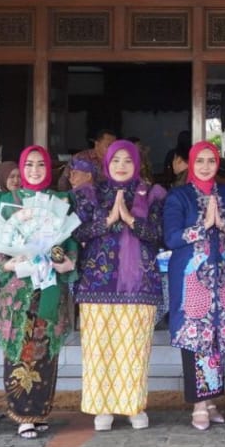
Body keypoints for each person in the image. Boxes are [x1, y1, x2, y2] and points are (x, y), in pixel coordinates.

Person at [72, 140, 166, 431]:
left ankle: (134, 406)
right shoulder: (90, 194)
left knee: (135, 348)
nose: (122, 166)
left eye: (128, 160)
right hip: (97, 284)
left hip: (140, 285)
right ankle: (102, 408)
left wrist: (131, 220)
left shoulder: (151, 193)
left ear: (137, 163)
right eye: (116, 160)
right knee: (98, 348)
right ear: (107, 164)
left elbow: (159, 235)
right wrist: (109, 220)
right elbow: (77, 233)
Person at [0, 146, 77, 439]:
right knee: (19, 346)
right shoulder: (6, 201)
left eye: (41, 164)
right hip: (18, 290)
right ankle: (22, 413)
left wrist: (58, 258)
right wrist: (9, 263)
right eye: (29, 165)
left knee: (44, 349)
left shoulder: (60, 200)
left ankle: (40, 412)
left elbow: (66, 240)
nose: (35, 170)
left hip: (49, 284)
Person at [162, 141, 225, 430]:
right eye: (200, 161)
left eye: (211, 160)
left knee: (217, 337)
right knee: (196, 336)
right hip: (191, 279)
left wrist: (224, 225)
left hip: (223, 277)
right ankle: (198, 404)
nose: (206, 166)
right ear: (191, 164)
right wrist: (203, 227)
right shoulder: (178, 196)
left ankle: (211, 400)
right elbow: (171, 238)